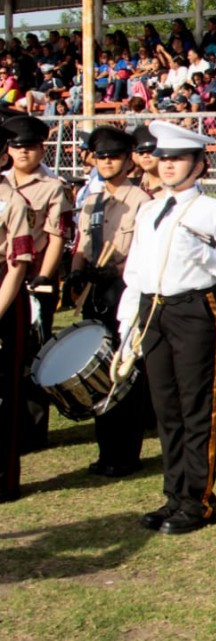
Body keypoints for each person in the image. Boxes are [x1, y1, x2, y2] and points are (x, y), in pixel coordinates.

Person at [117, 121, 216, 534]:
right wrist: (128, 325)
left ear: (198, 164)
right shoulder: (149, 209)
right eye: (164, 158)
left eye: (178, 158)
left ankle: (198, 499)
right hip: (153, 309)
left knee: (197, 407)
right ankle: (173, 495)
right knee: (166, 407)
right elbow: (135, 271)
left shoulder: (212, 209)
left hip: (195, 308)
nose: (168, 165)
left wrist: (205, 256)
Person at [67, 127, 156, 477]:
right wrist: (75, 274)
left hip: (124, 289)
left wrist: (116, 271)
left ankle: (125, 453)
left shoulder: (143, 202)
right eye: (100, 156)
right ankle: (106, 449)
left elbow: (144, 251)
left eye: (114, 156)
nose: (107, 162)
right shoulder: (92, 200)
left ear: (128, 159)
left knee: (124, 368)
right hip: (95, 290)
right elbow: (81, 244)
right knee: (98, 370)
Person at [1, 115, 73, 453]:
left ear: (42, 149)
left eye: (30, 147)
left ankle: (31, 431)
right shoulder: (3, 183)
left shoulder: (53, 186)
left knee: (32, 355)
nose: (24, 153)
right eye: (17, 147)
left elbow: (56, 235)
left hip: (34, 278)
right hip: (6, 275)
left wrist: (45, 276)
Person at [0, 126, 30, 503]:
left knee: (4, 392)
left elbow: (17, 264)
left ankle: (4, 478)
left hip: (4, 295)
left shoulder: (11, 201)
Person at [131, 126, 164, 197]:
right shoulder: (135, 187)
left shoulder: (173, 188)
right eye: (141, 152)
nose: (145, 156)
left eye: (150, 151)